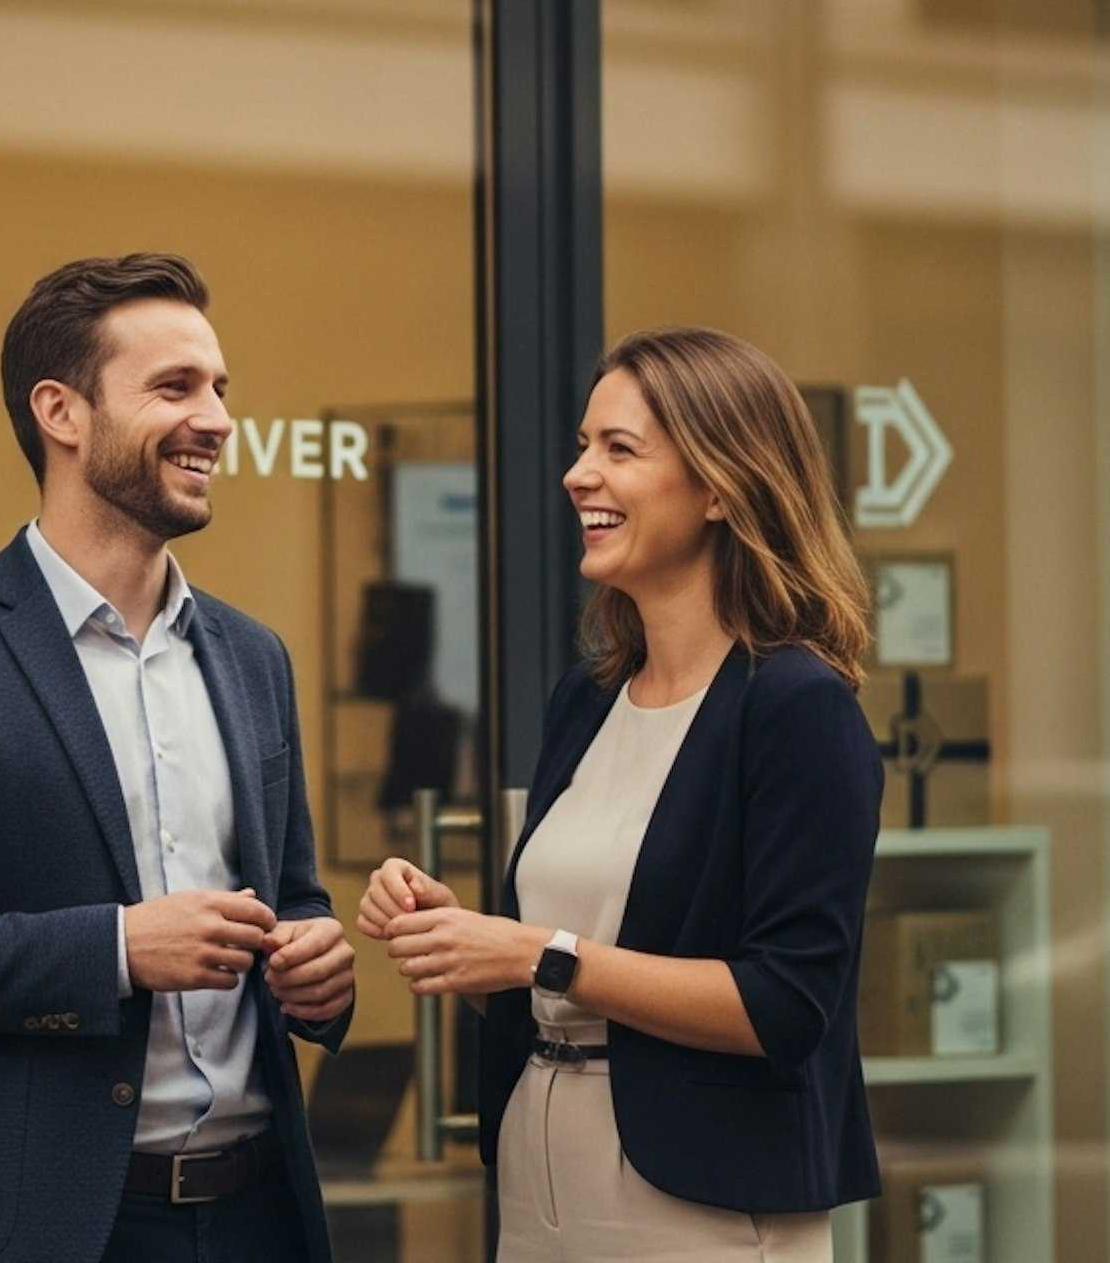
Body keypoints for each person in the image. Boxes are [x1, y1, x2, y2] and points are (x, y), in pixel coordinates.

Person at [0, 253, 354, 1263]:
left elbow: (295, 896)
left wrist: (316, 966)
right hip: (46, 1226)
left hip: (258, 1215)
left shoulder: (251, 656)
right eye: (174, 386)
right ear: (62, 412)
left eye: (219, 387)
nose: (217, 417)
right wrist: (112, 947)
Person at [359, 326, 882, 1261]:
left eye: (619, 449)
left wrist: (536, 952)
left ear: (721, 486)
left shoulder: (799, 707)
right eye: (582, 444)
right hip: (538, 1175)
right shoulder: (587, 699)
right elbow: (561, 976)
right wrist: (461, 939)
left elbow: (787, 1005)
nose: (576, 475)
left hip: (706, 1198)